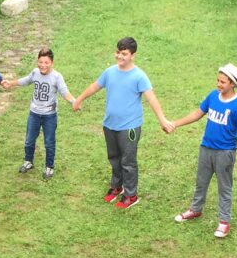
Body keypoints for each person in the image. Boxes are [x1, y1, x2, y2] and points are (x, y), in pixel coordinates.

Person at [72, 36, 171, 208]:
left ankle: (131, 194)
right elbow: (95, 86)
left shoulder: (139, 76)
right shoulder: (110, 72)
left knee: (128, 161)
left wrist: (162, 120)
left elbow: (151, 98)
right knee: (114, 158)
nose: (120, 57)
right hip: (110, 125)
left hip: (130, 128)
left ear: (133, 55)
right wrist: (79, 99)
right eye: (118, 53)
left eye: (124, 54)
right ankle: (116, 186)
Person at [171, 64, 237, 239]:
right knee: (201, 181)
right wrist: (175, 124)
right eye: (218, 80)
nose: (218, 84)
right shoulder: (212, 96)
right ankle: (195, 209)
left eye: (223, 82)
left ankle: (224, 222)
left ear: (233, 84)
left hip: (225, 153)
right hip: (206, 148)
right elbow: (197, 114)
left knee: (224, 186)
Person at [4, 47, 74, 180]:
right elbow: (25, 80)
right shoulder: (35, 72)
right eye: (40, 62)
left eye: (46, 62)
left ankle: (49, 167)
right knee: (29, 140)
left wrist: (74, 102)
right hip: (34, 113)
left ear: (52, 63)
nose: (43, 65)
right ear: (37, 61)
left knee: (49, 142)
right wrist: (11, 83)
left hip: (49, 116)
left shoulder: (57, 77)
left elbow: (64, 92)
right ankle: (28, 161)